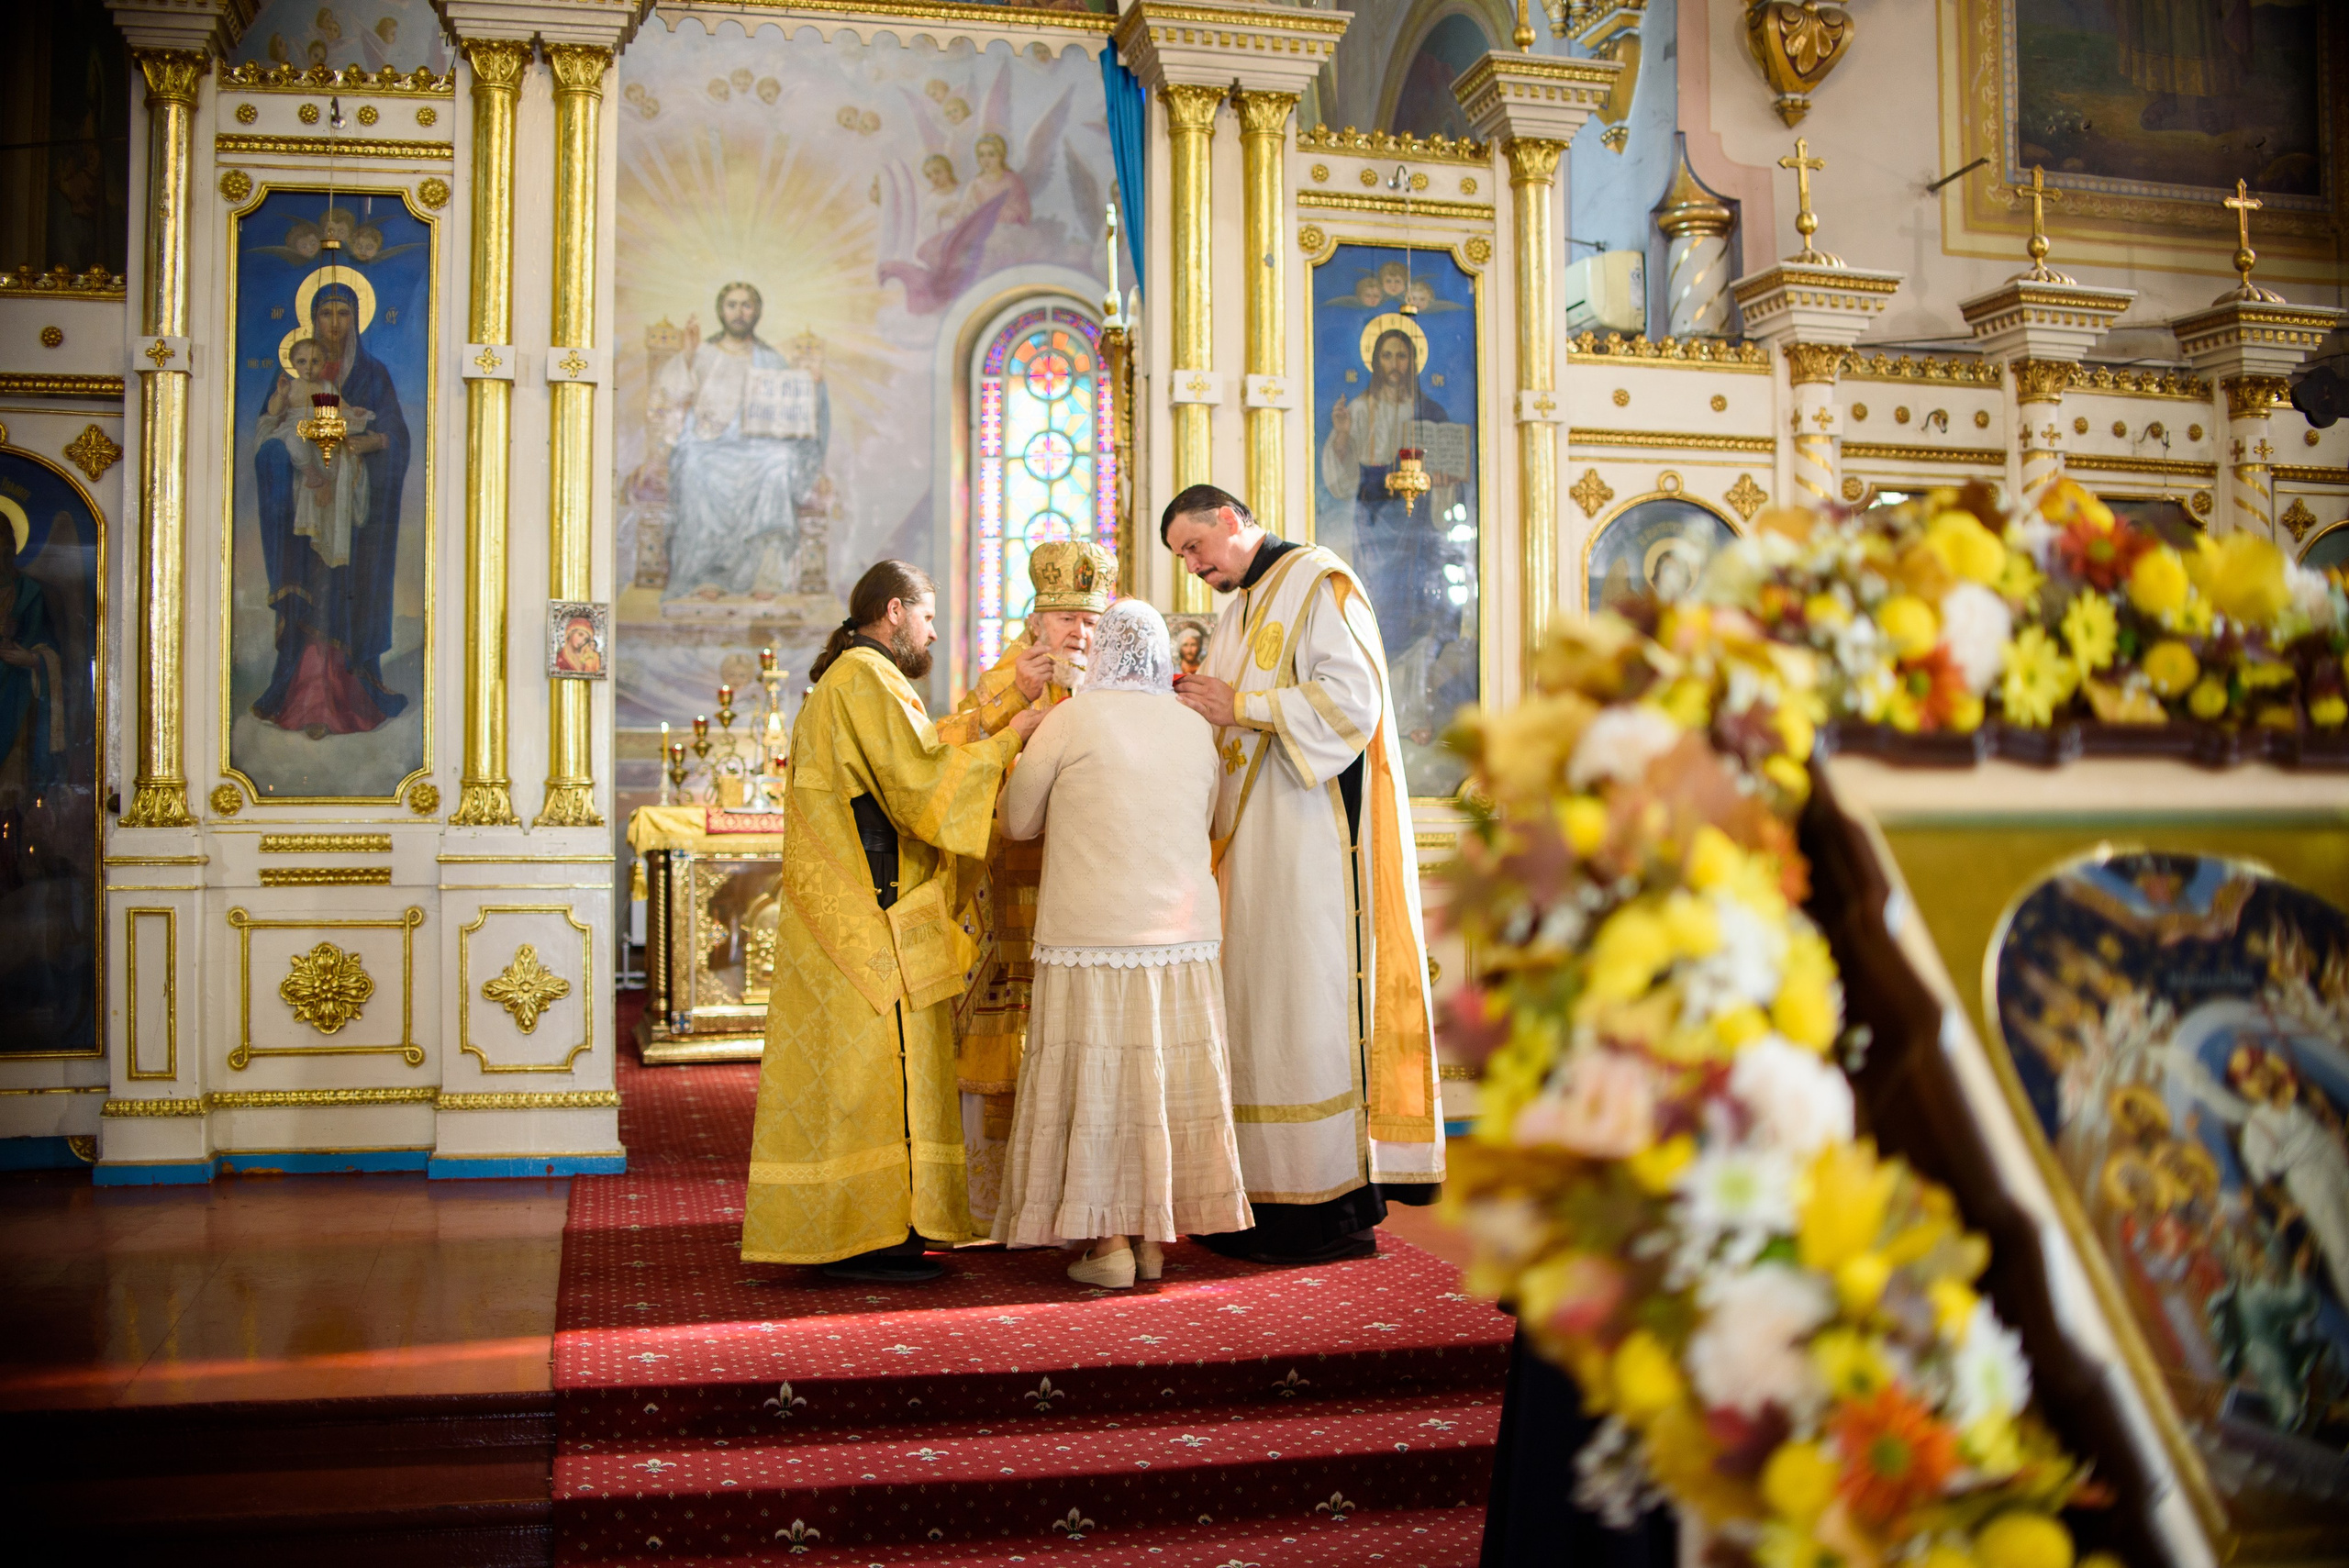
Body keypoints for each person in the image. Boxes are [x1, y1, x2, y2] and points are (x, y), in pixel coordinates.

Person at [740, 560, 1044, 1282]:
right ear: (895, 610)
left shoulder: (853, 679)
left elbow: (923, 756)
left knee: (860, 1077)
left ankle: (870, 1228)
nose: (935, 631)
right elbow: (923, 785)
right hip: (870, 912)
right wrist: (1014, 735)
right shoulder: (866, 679)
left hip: (859, 904)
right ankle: (869, 1237)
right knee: (869, 1076)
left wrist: (1004, 714)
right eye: (930, 616)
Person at [1163, 484, 1442, 1263]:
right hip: (1248, 849)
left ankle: (1322, 1206)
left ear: (1230, 521)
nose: (1194, 567)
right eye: (1183, 558)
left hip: (1309, 842)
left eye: (1195, 547)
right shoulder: (1239, 609)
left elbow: (1356, 703)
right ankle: (1256, 1196)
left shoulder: (1319, 582)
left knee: (1303, 1005)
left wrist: (1242, 704)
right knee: (1259, 1008)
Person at [991, 599, 1252, 1286]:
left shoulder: (1073, 716)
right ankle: (1154, 1239)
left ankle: (1106, 1242)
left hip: (1092, 933)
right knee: (1157, 1082)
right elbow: (1214, 816)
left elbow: (1016, 822)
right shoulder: (1194, 727)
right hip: (1182, 940)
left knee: (1104, 1081)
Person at [935, 539, 1111, 1228]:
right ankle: (992, 1209)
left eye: (1090, 621)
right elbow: (944, 760)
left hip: (1082, 885)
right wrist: (1016, 701)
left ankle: (1070, 1203)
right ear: (1037, 619)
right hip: (1007, 889)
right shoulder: (1000, 679)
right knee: (1005, 1034)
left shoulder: (1110, 684)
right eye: (1066, 617)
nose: (1079, 632)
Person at [250, 279, 410, 732]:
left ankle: (349, 694)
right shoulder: (295, 377)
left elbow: (397, 436)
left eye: (343, 314)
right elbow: (268, 431)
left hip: (352, 514)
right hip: (305, 512)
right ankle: (300, 695)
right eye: (326, 314)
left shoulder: (372, 375)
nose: (334, 324)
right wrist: (292, 463)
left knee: (343, 589)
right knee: (310, 589)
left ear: (357, 318)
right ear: (312, 319)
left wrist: (372, 441)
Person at [650, 282, 828, 602]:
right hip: (710, 443)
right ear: (721, 310)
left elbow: (793, 410)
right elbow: (672, 397)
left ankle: (766, 574)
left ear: (756, 311)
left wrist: (812, 385)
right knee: (694, 466)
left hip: (758, 448)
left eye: (746, 305)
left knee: (780, 464)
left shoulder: (770, 359)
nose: (739, 312)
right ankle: (706, 573)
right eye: (732, 304)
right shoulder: (703, 353)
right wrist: (688, 357)